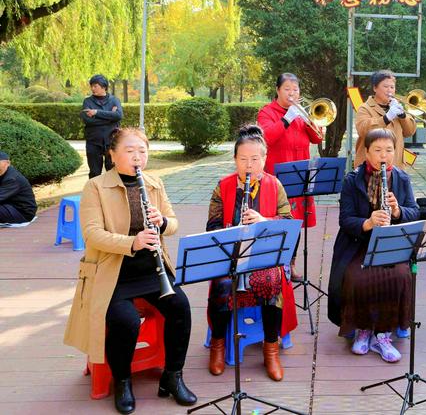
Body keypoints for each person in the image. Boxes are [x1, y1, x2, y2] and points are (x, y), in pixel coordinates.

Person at [63, 127, 195, 414]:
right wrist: (131, 242)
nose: (138, 157)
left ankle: (173, 376)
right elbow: (92, 234)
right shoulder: (95, 187)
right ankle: (121, 381)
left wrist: (161, 223)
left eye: (143, 151)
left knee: (181, 307)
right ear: (112, 154)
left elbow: (173, 223)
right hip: (113, 274)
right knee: (126, 322)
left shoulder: (154, 182)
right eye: (130, 151)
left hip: (152, 270)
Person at [205, 124, 298, 381]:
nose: (249, 165)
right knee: (223, 285)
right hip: (231, 256)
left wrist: (263, 221)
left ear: (265, 159)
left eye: (255, 159)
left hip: (264, 257)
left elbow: (289, 224)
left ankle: (271, 349)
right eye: (243, 159)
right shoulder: (222, 187)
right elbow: (211, 227)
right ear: (235, 159)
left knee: (272, 280)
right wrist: (232, 229)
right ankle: (218, 344)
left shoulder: (274, 184)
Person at [328, 129, 416, 363]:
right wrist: (367, 222)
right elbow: (345, 220)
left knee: (399, 275)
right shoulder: (352, 180)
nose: (383, 155)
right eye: (377, 150)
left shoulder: (402, 178)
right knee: (356, 276)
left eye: (389, 150)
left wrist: (397, 211)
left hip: (391, 244)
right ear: (366, 152)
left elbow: (414, 212)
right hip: (358, 244)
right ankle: (363, 329)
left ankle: (383, 334)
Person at [257, 73, 324, 280]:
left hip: (300, 175)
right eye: (287, 89)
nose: (292, 93)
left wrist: (312, 121)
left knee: (295, 222)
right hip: (276, 177)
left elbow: (316, 138)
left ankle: (290, 263)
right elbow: (266, 138)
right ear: (277, 91)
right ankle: (272, 262)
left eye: (295, 89)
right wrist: (286, 119)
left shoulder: (300, 114)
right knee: (276, 220)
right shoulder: (267, 113)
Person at [355, 70, 416, 169]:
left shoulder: (396, 107)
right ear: (375, 88)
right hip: (370, 167)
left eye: (392, 87)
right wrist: (386, 118)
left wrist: (403, 117)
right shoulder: (365, 108)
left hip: (396, 165)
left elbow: (409, 132)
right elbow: (363, 130)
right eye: (385, 87)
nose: (390, 90)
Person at [81, 74, 123, 178]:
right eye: (91, 86)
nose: (92, 88)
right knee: (94, 173)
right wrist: (110, 118)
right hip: (93, 142)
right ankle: (94, 193)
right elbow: (88, 120)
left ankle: (112, 194)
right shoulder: (87, 101)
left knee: (112, 171)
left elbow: (118, 115)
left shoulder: (114, 100)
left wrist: (96, 113)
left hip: (111, 142)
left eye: (95, 86)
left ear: (103, 87)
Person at [0, 151, 37, 224]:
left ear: (8, 163)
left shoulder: (12, 179)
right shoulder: (3, 174)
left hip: (22, 213)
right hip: (9, 206)